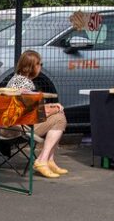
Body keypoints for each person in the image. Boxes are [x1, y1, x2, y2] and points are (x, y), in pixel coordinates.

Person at [6, 50, 68, 179]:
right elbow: (34, 113)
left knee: (58, 115)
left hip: (10, 124)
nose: (41, 67)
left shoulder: (16, 79)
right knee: (59, 119)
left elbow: (30, 108)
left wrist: (52, 107)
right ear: (30, 66)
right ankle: (43, 160)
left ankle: (49, 160)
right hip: (19, 128)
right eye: (39, 64)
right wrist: (54, 109)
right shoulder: (26, 84)